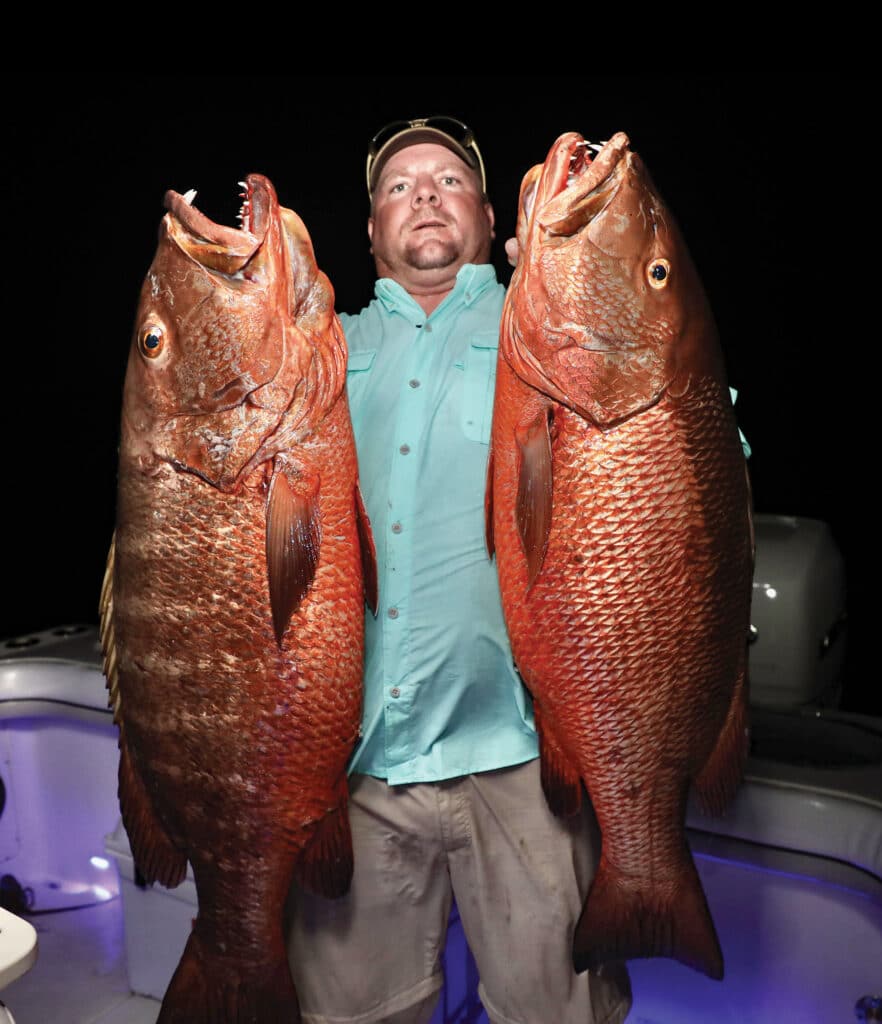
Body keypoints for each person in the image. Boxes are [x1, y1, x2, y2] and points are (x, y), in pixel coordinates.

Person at [286, 116, 632, 1024]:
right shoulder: (323, 355)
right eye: (399, 186)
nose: (425, 194)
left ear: (485, 212)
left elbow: (679, 444)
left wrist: (598, 291)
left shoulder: (546, 324)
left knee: (556, 1014)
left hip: (523, 759)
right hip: (356, 766)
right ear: (370, 231)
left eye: (446, 179)